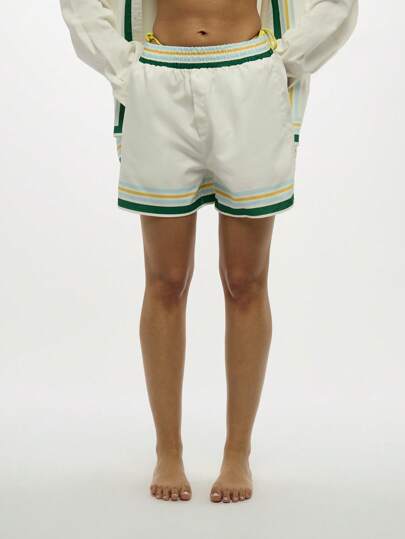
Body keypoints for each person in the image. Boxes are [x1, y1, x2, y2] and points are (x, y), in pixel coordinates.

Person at [60, 0, 358, 503]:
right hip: (160, 75)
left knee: (246, 280)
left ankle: (237, 452)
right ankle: (168, 449)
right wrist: (124, 69)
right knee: (165, 280)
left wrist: (284, 63)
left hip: (249, 73)